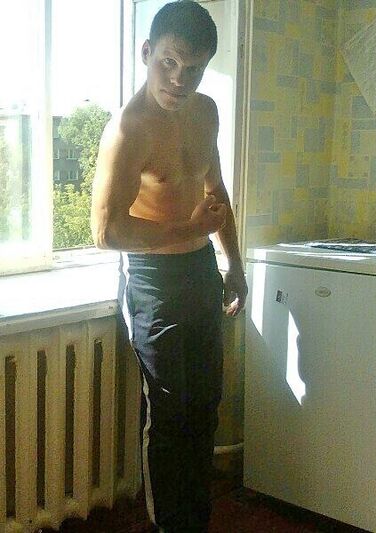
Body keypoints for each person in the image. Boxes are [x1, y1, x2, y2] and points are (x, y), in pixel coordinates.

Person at [91, 2, 247, 531]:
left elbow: (215, 192)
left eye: (194, 68)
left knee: (204, 405)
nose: (180, 80)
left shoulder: (206, 113)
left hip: (201, 268)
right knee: (169, 411)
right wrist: (188, 230)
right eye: (169, 62)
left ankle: (194, 523)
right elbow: (106, 233)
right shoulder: (127, 130)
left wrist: (234, 264)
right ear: (146, 53)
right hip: (152, 280)